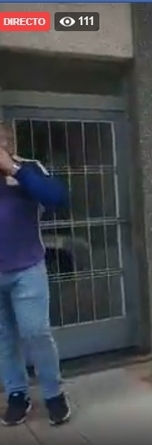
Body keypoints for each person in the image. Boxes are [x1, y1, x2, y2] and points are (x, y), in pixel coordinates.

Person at [0, 121, 71, 426]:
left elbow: (57, 198)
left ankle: (54, 393)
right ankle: (17, 394)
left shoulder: (28, 169)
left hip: (27, 270)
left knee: (36, 332)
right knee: (3, 339)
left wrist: (14, 170)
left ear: (9, 144)